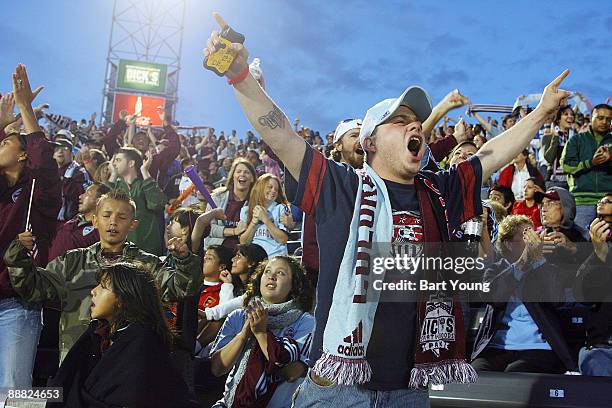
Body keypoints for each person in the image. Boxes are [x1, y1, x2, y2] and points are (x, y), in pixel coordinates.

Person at [203, 14, 570, 405]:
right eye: (400, 121)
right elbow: (279, 133)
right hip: (340, 391)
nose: (416, 127)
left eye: (417, 122)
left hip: (411, 389)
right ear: (370, 141)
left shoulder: (439, 190)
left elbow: (489, 154)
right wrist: (240, 74)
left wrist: (541, 111)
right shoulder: (340, 187)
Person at [4, 188, 202, 361]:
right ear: (95, 221)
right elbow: (33, 288)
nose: (113, 222)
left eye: (121, 217)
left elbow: (182, 287)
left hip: (127, 364)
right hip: (76, 361)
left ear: (133, 224)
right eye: (107, 216)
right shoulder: (71, 262)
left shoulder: (146, 266)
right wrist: (18, 255)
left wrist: (185, 259)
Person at [47, 263, 199, 408]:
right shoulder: (97, 332)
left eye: (103, 287)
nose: (93, 291)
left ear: (122, 299)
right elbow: (66, 380)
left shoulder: (143, 343)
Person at [0, 65, 61, 388]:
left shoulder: (38, 193)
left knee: (13, 390)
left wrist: (24, 110)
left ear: (23, 155)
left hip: (15, 306)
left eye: (5, 142)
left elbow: (45, 166)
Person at [471, 215, 576, 374]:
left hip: (537, 348)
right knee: (475, 374)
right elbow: (492, 297)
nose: (532, 242)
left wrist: (539, 259)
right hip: (497, 348)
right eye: (526, 236)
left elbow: (557, 299)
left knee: (514, 374)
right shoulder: (494, 270)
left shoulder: (545, 268)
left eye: (533, 235)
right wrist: (522, 262)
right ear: (508, 244)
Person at [210, 256, 315, 408]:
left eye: (281, 273)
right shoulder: (238, 316)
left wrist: (261, 334)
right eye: (267, 272)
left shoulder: (305, 321)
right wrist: (244, 334)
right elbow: (217, 369)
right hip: (230, 404)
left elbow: (291, 373)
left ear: (294, 285)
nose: (272, 276)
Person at [573, 193, 612, 376]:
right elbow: (583, 295)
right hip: (602, 348)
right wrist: (600, 255)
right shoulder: (597, 247)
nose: (601, 204)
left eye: (607, 202)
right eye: (600, 201)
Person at [561, 104, 612, 232]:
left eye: (608, 119)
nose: (604, 122)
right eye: (600, 118)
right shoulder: (576, 140)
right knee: (581, 245)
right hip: (582, 201)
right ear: (591, 118)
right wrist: (591, 163)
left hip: (609, 202)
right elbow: (566, 165)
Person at [107, 147, 167, 255]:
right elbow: (101, 205)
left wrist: (144, 171)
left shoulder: (144, 184)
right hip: (120, 248)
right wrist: (113, 175)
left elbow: (157, 204)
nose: (114, 164)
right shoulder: (116, 187)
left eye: (118, 160)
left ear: (131, 163)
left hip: (147, 249)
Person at [203, 243, 268, 322]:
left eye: (239, 256)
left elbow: (224, 315)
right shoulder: (235, 285)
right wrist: (228, 284)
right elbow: (223, 311)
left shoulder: (258, 288)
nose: (233, 259)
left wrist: (208, 313)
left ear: (251, 263)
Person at [203, 158, 256, 251]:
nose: (242, 174)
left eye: (247, 172)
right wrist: (234, 231)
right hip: (217, 250)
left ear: (252, 178)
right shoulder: (216, 198)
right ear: (232, 176)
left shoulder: (256, 202)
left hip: (243, 253)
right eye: (238, 171)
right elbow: (207, 229)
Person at [48, 182, 110, 261]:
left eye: (87, 193)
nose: (80, 196)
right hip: (49, 271)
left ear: (98, 201)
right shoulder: (73, 221)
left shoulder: (101, 231)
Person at [239, 173, 290, 257]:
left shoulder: (281, 208)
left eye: (276, 189)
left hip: (275, 258)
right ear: (260, 188)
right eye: (270, 187)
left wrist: (265, 219)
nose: (273, 191)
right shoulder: (246, 210)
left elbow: (283, 239)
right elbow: (243, 242)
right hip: (255, 259)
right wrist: (253, 223)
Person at [53, 136, 93, 222]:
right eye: (57, 149)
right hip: (52, 221)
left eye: (65, 148)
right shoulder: (49, 172)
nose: (60, 151)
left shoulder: (80, 172)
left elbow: (88, 198)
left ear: (72, 154)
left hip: (71, 222)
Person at [541, 105, 576, 189]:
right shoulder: (547, 137)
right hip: (554, 181)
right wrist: (555, 137)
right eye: (566, 114)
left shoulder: (575, 138)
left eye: (572, 114)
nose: (570, 116)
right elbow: (549, 158)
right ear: (559, 118)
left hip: (572, 181)